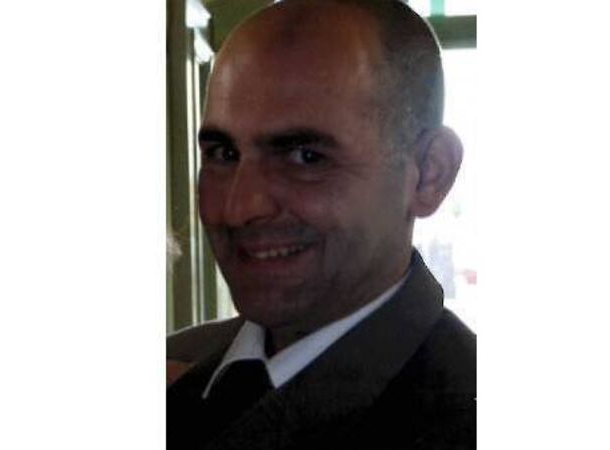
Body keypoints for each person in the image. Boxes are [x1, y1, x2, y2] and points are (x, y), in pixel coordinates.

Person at [167, 1, 475, 448]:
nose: (239, 208)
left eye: (306, 157)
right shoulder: (176, 371)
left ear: (429, 173)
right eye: (223, 154)